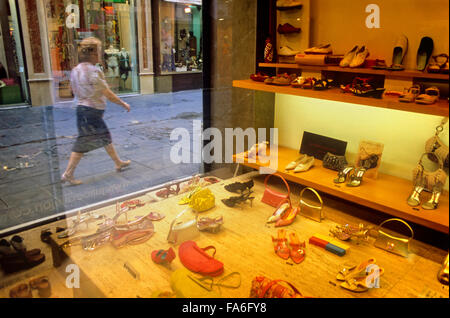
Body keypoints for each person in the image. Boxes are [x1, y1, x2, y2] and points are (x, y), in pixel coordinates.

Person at [61, 37, 131, 185]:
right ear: (92, 54)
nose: (100, 54)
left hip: (82, 110)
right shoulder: (94, 71)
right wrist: (123, 103)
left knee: (105, 137)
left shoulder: (75, 70)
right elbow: (107, 93)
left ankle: (118, 162)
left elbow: (72, 91)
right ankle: (68, 174)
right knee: (82, 143)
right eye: (99, 51)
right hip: (91, 112)